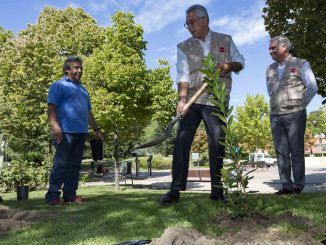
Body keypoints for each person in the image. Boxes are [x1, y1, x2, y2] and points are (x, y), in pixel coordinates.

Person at [159, 4, 245, 204]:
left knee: (217, 143)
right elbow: (183, 74)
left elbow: (240, 61)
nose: (189, 26)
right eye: (187, 23)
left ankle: (217, 192)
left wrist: (228, 65)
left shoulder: (226, 40)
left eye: (192, 22)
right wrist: (182, 100)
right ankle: (175, 190)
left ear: (205, 20)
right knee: (181, 141)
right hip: (192, 99)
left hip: (216, 98)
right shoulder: (184, 46)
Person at [45, 56, 103, 205]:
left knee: (75, 165)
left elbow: (88, 112)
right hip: (64, 132)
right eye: (76, 67)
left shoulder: (83, 90)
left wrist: (96, 129)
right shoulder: (58, 86)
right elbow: (51, 108)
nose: (79, 70)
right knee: (61, 164)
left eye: (80, 68)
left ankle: (70, 195)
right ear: (66, 69)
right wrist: (55, 126)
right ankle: (52, 196)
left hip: (81, 132)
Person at [266, 36, 318, 195]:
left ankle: (298, 185)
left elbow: (312, 87)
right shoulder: (270, 69)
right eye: (269, 48)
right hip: (276, 115)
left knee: (296, 151)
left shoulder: (301, 64)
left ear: (284, 47)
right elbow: (270, 91)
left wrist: (300, 105)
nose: (270, 51)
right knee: (281, 151)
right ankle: (286, 186)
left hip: (295, 114)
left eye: (273, 48)